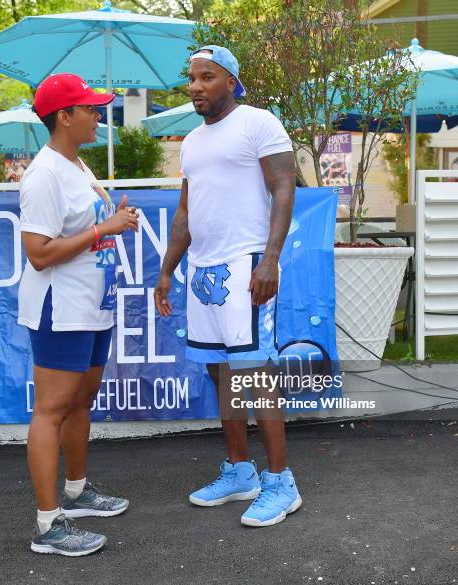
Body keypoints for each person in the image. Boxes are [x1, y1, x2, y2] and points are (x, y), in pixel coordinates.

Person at [155, 46, 301, 527]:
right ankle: (242, 472)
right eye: (191, 78)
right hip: (202, 271)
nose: (195, 85)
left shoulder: (259, 123)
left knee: (255, 376)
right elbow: (185, 213)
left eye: (207, 77)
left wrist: (271, 260)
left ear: (231, 82)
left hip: (247, 263)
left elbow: (284, 186)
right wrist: (165, 271)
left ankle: (281, 481)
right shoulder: (192, 142)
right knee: (221, 374)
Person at [18, 73, 139, 555]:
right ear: (64, 117)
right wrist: (102, 229)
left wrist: (114, 224)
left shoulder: (77, 164)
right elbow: (39, 253)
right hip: (60, 309)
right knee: (51, 411)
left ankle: (76, 491)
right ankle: (49, 526)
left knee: (81, 400)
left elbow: (91, 228)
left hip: (92, 305)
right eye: (89, 109)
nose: (98, 115)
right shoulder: (44, 174)